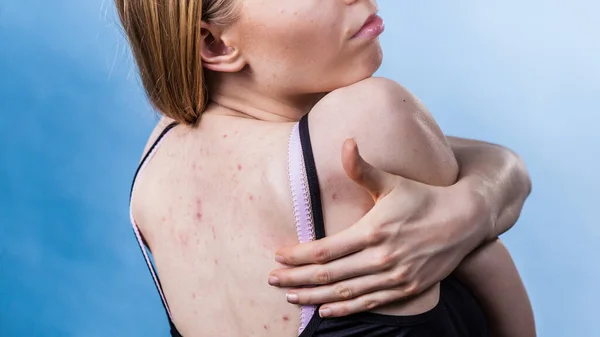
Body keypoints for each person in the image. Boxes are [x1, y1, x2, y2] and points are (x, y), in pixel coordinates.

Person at [117, 0, 535, 336]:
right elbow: (498, 184)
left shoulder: (154, 172)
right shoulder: (368, 117)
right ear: (214, 45)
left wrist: (480, 194)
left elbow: (486, 160)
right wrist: (477, 209)